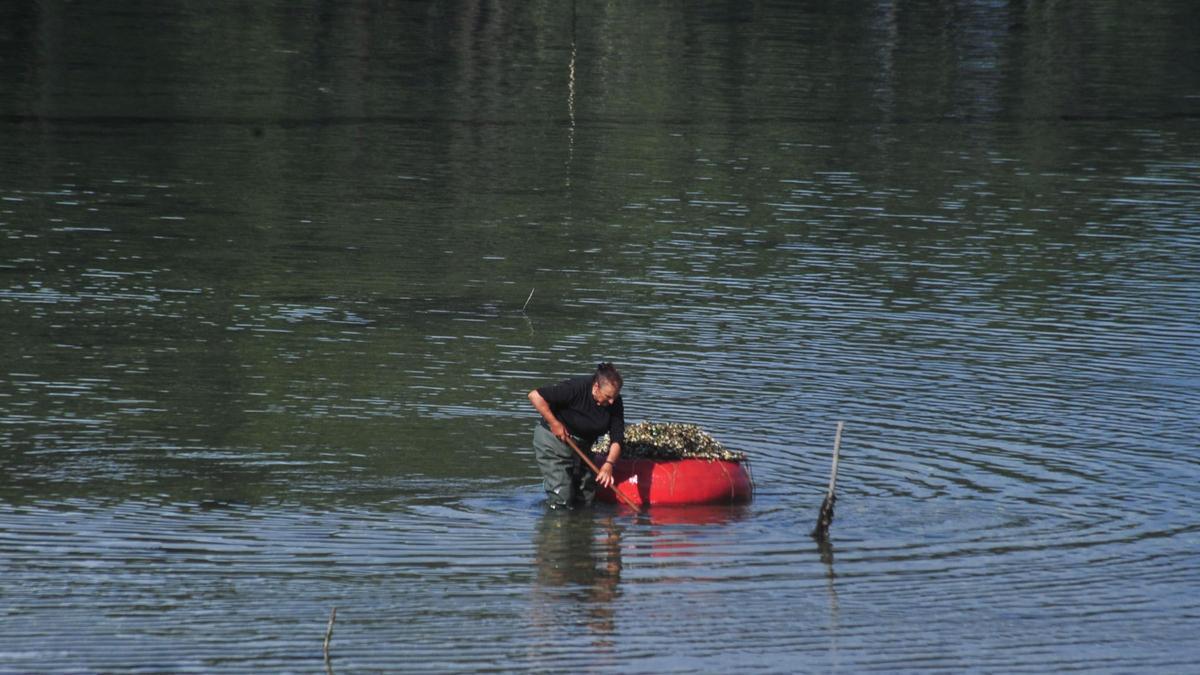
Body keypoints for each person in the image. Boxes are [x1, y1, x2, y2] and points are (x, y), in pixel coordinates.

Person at [527, 362, 625, 509]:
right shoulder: (576, 388)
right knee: (563, 496)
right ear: (596, 387)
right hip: (554, 440)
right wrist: (555, 423)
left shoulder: (615, 403)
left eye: (615, 397)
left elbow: (617, 437)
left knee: (586, 494)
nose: (611, 401)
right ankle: (556, 525)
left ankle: (581, 527)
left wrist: (609, 464)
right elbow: (535, 396)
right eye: (608, 396)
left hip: (583, 446)